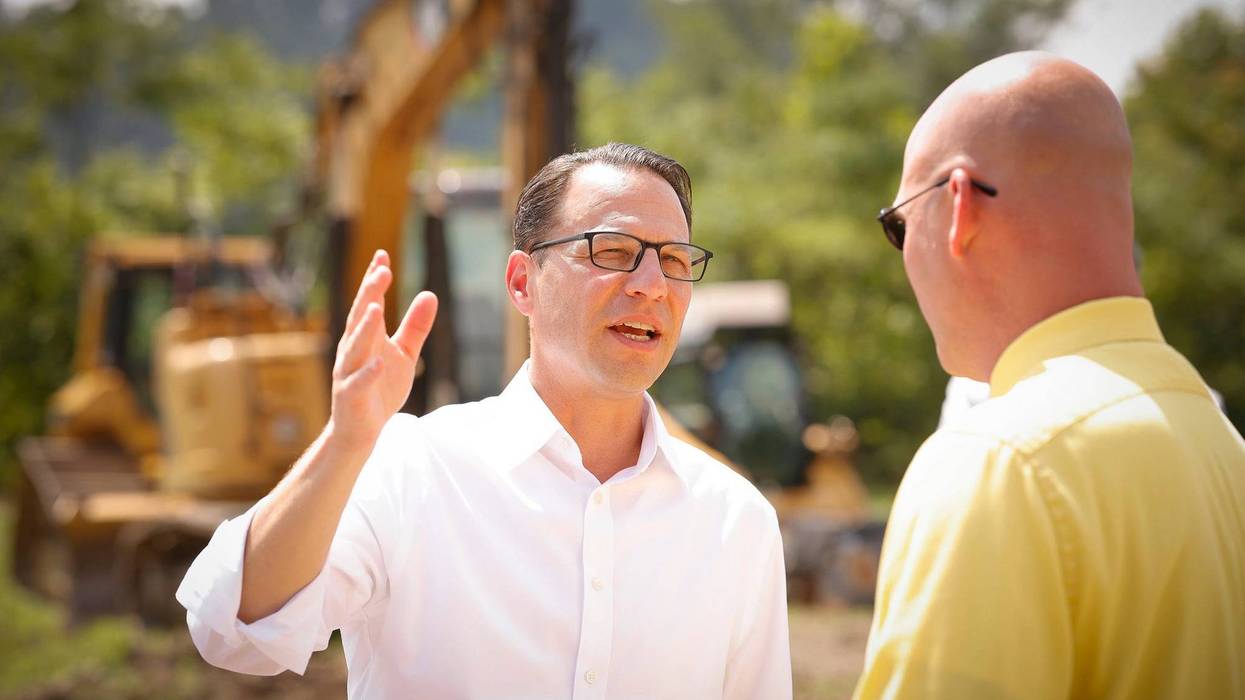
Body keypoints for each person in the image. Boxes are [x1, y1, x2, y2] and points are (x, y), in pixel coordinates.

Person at [177, 143, 792, 699]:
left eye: (676, 261)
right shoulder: (408, 467)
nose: (653, 285)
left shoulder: (736, 521)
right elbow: (233, 629)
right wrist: (345, 441)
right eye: (615, 252)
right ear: (523, 282)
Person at [854, 52, 1245, 699]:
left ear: (957, 205)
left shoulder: (998, 461)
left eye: (896, 226)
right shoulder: (1222, 445)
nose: (902, 258)